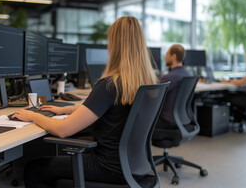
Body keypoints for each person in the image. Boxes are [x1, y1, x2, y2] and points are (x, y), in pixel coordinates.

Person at [11, 16, 158, 187]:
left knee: (34, 169)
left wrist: (33, 116)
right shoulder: (145, 82)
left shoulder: (109, 85)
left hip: (107, 167)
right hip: (134, 167)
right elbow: (107, 110)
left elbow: (62, 130)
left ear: (115, 45)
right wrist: (68, 110)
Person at [156, 44, 191, 129]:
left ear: (173, 56)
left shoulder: (170, 77)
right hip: (181, 119)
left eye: (167, 54)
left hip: (166, 120)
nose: (165, 57)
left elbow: (155, 96)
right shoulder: (188, 74)